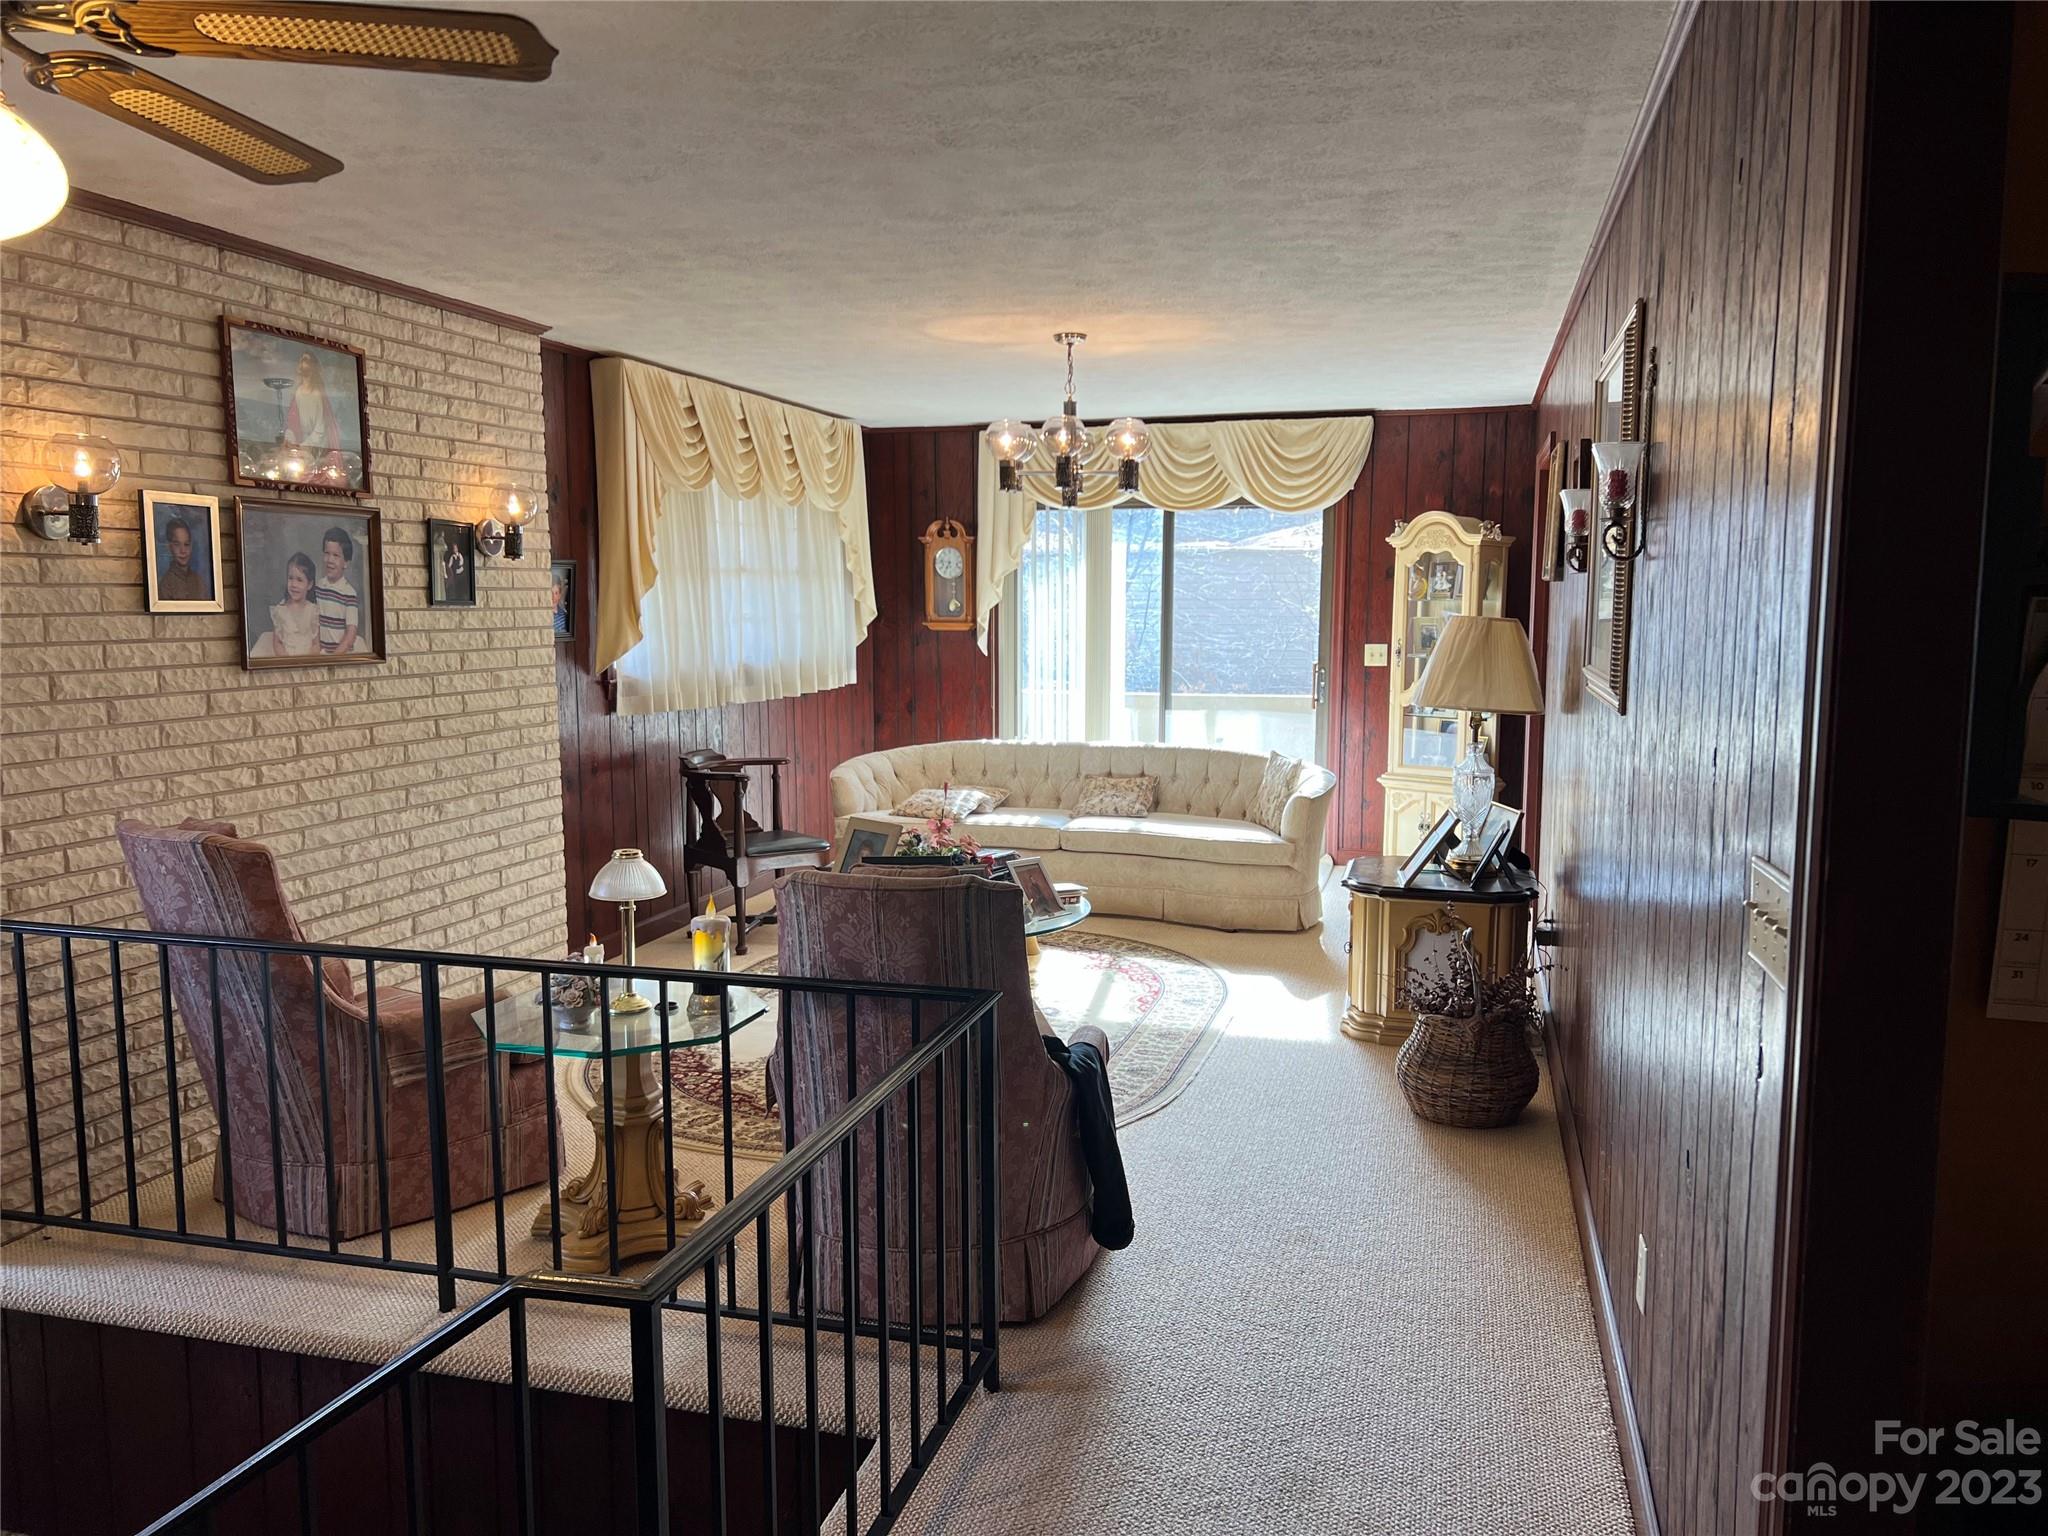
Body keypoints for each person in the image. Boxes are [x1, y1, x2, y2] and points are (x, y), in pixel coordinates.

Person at [249, 552, 319, 657]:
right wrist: (288, 661)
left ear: (309, 584)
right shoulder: (280, 611)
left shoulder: (312, 610)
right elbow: (277, 644)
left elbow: (316, 644)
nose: (294, 584)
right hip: (286, 661)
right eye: (290, 578)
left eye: (299, 580)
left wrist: (307, 661)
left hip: (308, 661)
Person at [284, 350, 343, 472]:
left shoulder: (316, 393)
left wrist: (305, 445)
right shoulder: (298, 391)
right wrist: (290, 439)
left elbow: (320, 429)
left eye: (306, 360)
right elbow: (293, 421)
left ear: (313, 366)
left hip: (317, 444)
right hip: (303, 442)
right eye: (301, 360)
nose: (302, 363)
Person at [314, 527, 360, 654]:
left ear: (345, 563)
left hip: (341, 654)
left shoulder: (349, 594)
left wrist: (335, 657)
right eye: (327, 553)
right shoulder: (318, 587)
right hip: (321, 654)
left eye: (336, 555)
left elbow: (351, 633)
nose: (330, 560)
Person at [157, 514, 208, 602]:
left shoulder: (199, 581)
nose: (183, 551)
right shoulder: (166, 585)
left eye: (186, 544)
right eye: (177, 544)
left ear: (191, 546)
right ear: (169, 547)